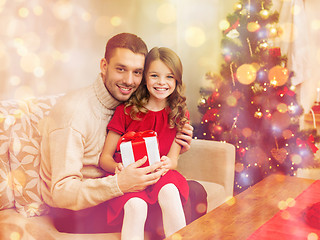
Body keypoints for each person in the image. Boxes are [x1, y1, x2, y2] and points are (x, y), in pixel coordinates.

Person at [39, 33, 207, 237]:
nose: (129, 80)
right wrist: (120, 183)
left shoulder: (129, 101)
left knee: (189, 191)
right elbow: (62, 193)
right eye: (121, 69)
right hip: (77, 211)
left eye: (137, 72)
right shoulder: (74, 114)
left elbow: (146, 136)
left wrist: (177, 145)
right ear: (103, 66)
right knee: (191, 196)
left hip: (119, 188)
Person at [99, 47, 189, 239]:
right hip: (130, 179)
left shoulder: (179, 113)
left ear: (177, 80)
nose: (162, 82)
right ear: (144, 78)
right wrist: (119, 169)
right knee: (136, 206)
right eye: (155, 75)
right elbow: (105, 158)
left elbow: (173, 161)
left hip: (159, 176)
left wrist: (167, 163)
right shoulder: (126, 111)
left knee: (170, 191)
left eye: (170, 77)